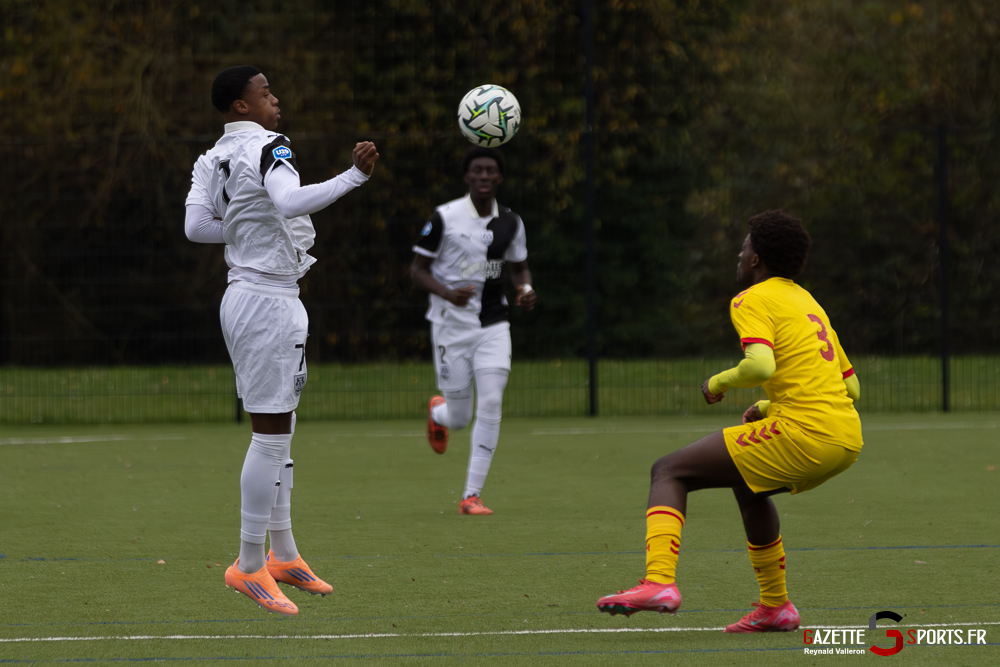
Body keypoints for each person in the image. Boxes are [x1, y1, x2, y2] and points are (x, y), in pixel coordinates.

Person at [595, 210, 862, 632]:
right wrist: (769, 409)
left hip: (807, 434)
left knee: (669, 470)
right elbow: (851, 389)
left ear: (756, 259)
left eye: (744, 247)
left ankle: (660, 582)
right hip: (845, 436)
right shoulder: (809, 302)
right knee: (748, 487)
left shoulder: (752, 299)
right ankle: (776, 608)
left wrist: (717, 383)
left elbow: (759, 366)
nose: (740, 253)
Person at [184, 65, 378, 615]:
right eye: (265, 92)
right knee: (270, 435)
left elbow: (197, 227)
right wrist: (353, 177)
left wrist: (247, 227)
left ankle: (284, 553)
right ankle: (248, 565)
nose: (276, 99)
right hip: (267, 301)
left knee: (281, 427)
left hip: (247, 297)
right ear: (242, 106)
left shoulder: (211, 158)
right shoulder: (271, 146)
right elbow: (290, 203)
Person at [411, 147, 536, 516]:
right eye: (477, 170)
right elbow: (417, 270)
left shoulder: (511, 222)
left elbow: (520, 268)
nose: (484, 176)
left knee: (493, 401)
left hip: (494, 324)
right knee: (461, 417)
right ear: (467, 177)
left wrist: (525, 290)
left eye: (491, 171)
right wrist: (449, 293)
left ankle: (471, 495)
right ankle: (439, 413)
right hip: (450, 327)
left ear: (499, 178)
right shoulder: (444, 217)